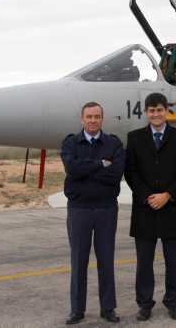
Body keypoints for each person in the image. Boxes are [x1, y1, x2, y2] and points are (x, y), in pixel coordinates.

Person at [124, 93, 176, 322]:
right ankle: (144, 304)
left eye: (159, 110)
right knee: (144, 261)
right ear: (146, 113)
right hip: (145, 208)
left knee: (173, 261)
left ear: (166, 111)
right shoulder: (134, 138)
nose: (155, 114)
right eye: (151, 111)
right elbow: (131, 172)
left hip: (172, 207)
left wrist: (168, 195)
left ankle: (173, 302)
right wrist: (148, 196)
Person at [61, 101, 125, 325]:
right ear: (82, 119)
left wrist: (86, 169)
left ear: (102, 119)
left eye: (97, 117)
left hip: (106, 209)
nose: (92, 120)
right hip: (79, 210)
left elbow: (115, 174)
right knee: (78, 261)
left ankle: (108, 309)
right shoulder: (71, 143)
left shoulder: (113, 143)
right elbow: (72, 169)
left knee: (106, 260)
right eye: (89, 117)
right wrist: (100, 164)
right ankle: (77, 310)